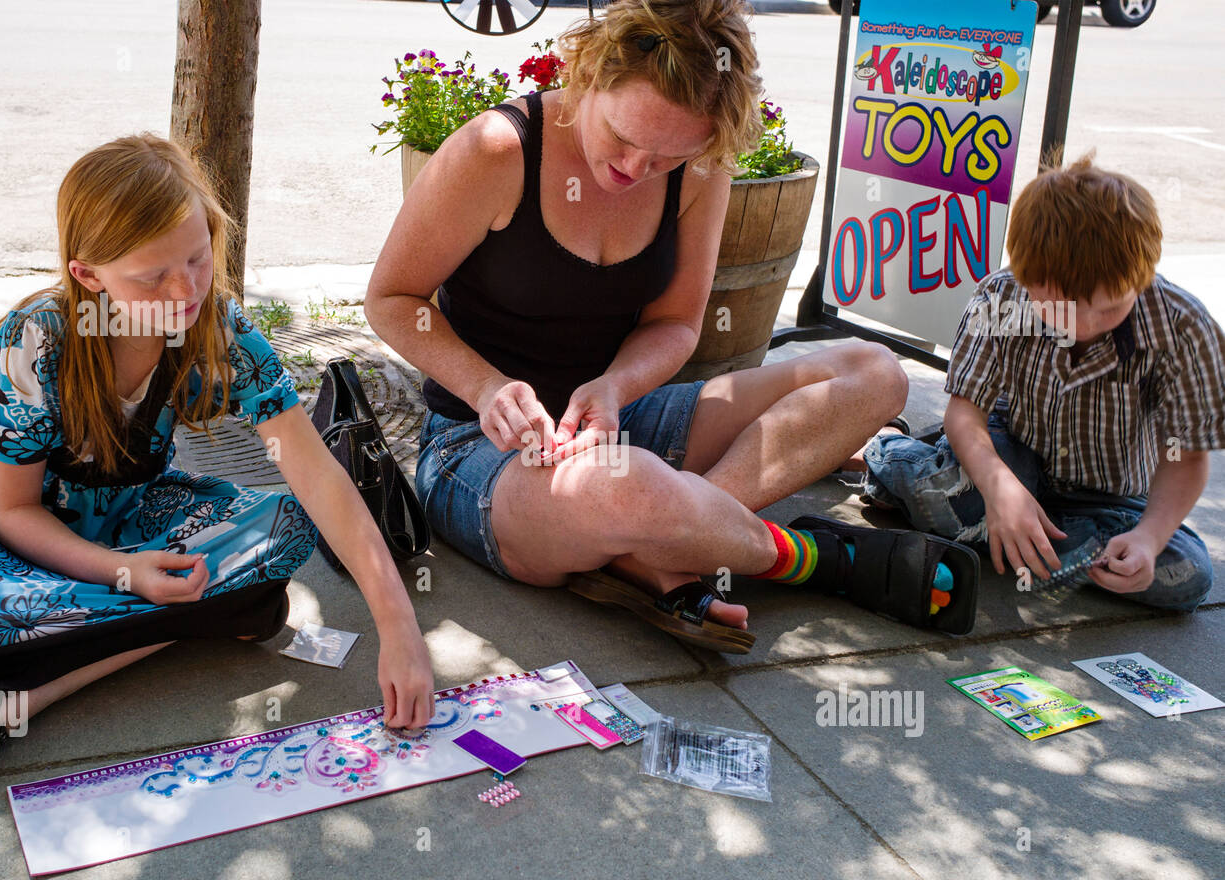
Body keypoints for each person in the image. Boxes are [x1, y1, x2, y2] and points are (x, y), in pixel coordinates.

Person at [365, 0, 981, 652]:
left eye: (665, 158)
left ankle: (666, 544)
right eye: (624, 139)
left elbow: (677, 325)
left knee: (874, 374)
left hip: (624, 424)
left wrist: (614, 388)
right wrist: (487, 388)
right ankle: (813, 556)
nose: (636, 170)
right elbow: (392, 297)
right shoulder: (498, 149)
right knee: (624, 484)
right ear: (593, 72)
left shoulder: (703, 165)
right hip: (481, 452)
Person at [0, 134, 435, 771]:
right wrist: (121, 572)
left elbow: (313, 472)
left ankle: (23, 689)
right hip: (12, 535)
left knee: (282, 528)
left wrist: (399, 627)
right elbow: (14, 513)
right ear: (87, 276)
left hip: (131, 519)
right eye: (152, 276)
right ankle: (143, 631)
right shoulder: (35, 344)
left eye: (198, 258)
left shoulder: (222, 332)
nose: (185, 291)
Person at [856, 154, 1220, 611]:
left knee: (1184, 574)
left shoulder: (1184, 327)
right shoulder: (1002, 296)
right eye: (1061, 308)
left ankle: (1011, 531)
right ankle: (890, 451)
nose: (1085, 326)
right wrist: (1002, 489)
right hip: (1011, 454)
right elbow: (965, 413)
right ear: (1027, 280)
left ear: (1142, 278)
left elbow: (1186, 458)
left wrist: (1147, 540)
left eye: (1109, 310)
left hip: (1109, 496)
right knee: (969, 497)